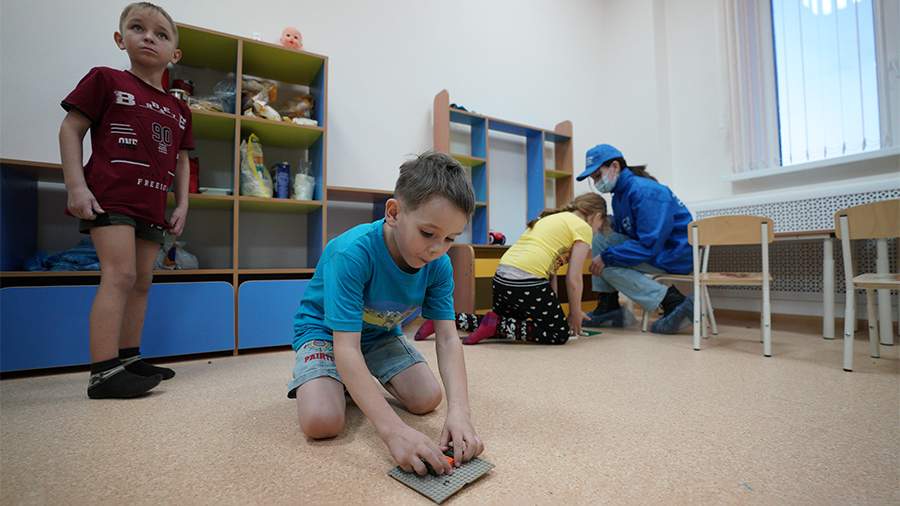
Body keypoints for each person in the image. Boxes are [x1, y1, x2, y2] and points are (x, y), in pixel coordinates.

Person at [289, 152, 484, 476]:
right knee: (322, 421)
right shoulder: (351, 253)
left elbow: (449, 340)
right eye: (428, 233)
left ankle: (352, 380)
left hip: (379, 334)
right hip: (326, 334)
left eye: (450, 238)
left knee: (427, 399)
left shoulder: (439, 265)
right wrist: (394, 431)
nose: (437, 248)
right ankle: (339, 380)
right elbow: (346, 347)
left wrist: (461, 412)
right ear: (394, 213)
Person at [59, 2, 193, 399]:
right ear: (120, 39)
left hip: (152, 204)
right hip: (111, 197)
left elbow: (182, 159)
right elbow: (71, 128)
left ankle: (128, 358)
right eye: (138, 28)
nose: (149, 37)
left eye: (161, 34)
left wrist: (182, 204)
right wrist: (75, 186)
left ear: (174, 53)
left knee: (141, 281)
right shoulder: (106, 80)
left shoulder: (179, 109)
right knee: (118, 275)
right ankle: (103, 373)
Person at [416, 193, 608, 345]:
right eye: (601, 225)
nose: (598, 229)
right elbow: (574, 278)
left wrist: (553, 306)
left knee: (502, 319)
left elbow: (552, 272)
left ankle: (445, 320)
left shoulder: (554, 218)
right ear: (597, 216)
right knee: (558, 333)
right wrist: (575, 312)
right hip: (527, 282)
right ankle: (496, 326)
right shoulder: (583, 227)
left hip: (502, 277)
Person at [576, 144, 694, 334]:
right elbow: (627, 234)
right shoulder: (620, 195)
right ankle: (609, 306)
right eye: (593, 179)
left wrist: (607, 257)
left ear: (615, 166)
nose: (596, 182)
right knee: (601, 236)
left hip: (674, 254)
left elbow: (649, 244)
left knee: (607, 267)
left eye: (598, 176)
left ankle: (673, 302)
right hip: (658, 250)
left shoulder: (646, 192)